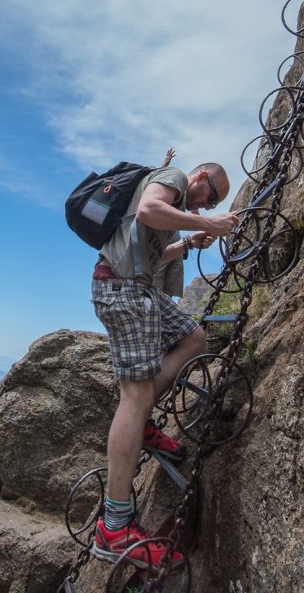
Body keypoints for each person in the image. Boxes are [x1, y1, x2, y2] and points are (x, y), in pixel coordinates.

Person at [91, 157, 237, 568]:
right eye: (211, 197)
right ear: (201, 178)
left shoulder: (176, 207)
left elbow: (154, 252)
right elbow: (147, 211)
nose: (206, 208)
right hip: (123, 290)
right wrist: (208, 225)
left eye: (211, 206)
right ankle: (114, 529)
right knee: (134, 397)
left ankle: (143, 424)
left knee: (193, 337)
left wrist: (189, 242)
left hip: (138, 287)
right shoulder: (172, 179)